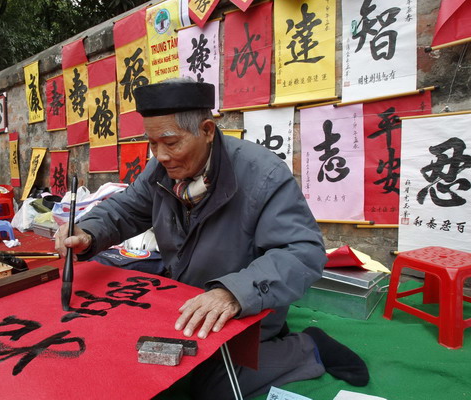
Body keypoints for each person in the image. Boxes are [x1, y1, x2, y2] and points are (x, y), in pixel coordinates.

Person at [55, 78, 368, 398]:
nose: (161, 155)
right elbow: (128, 207)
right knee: (131, 353)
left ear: (206, 130)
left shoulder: (263, 174)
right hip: (185, 297)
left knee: (213, 387)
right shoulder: (162, 168)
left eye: (171, 142)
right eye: (152, 144)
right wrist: (88, 231)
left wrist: (234, 293)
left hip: (243, 302)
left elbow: (303, 252)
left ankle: (306, 347)